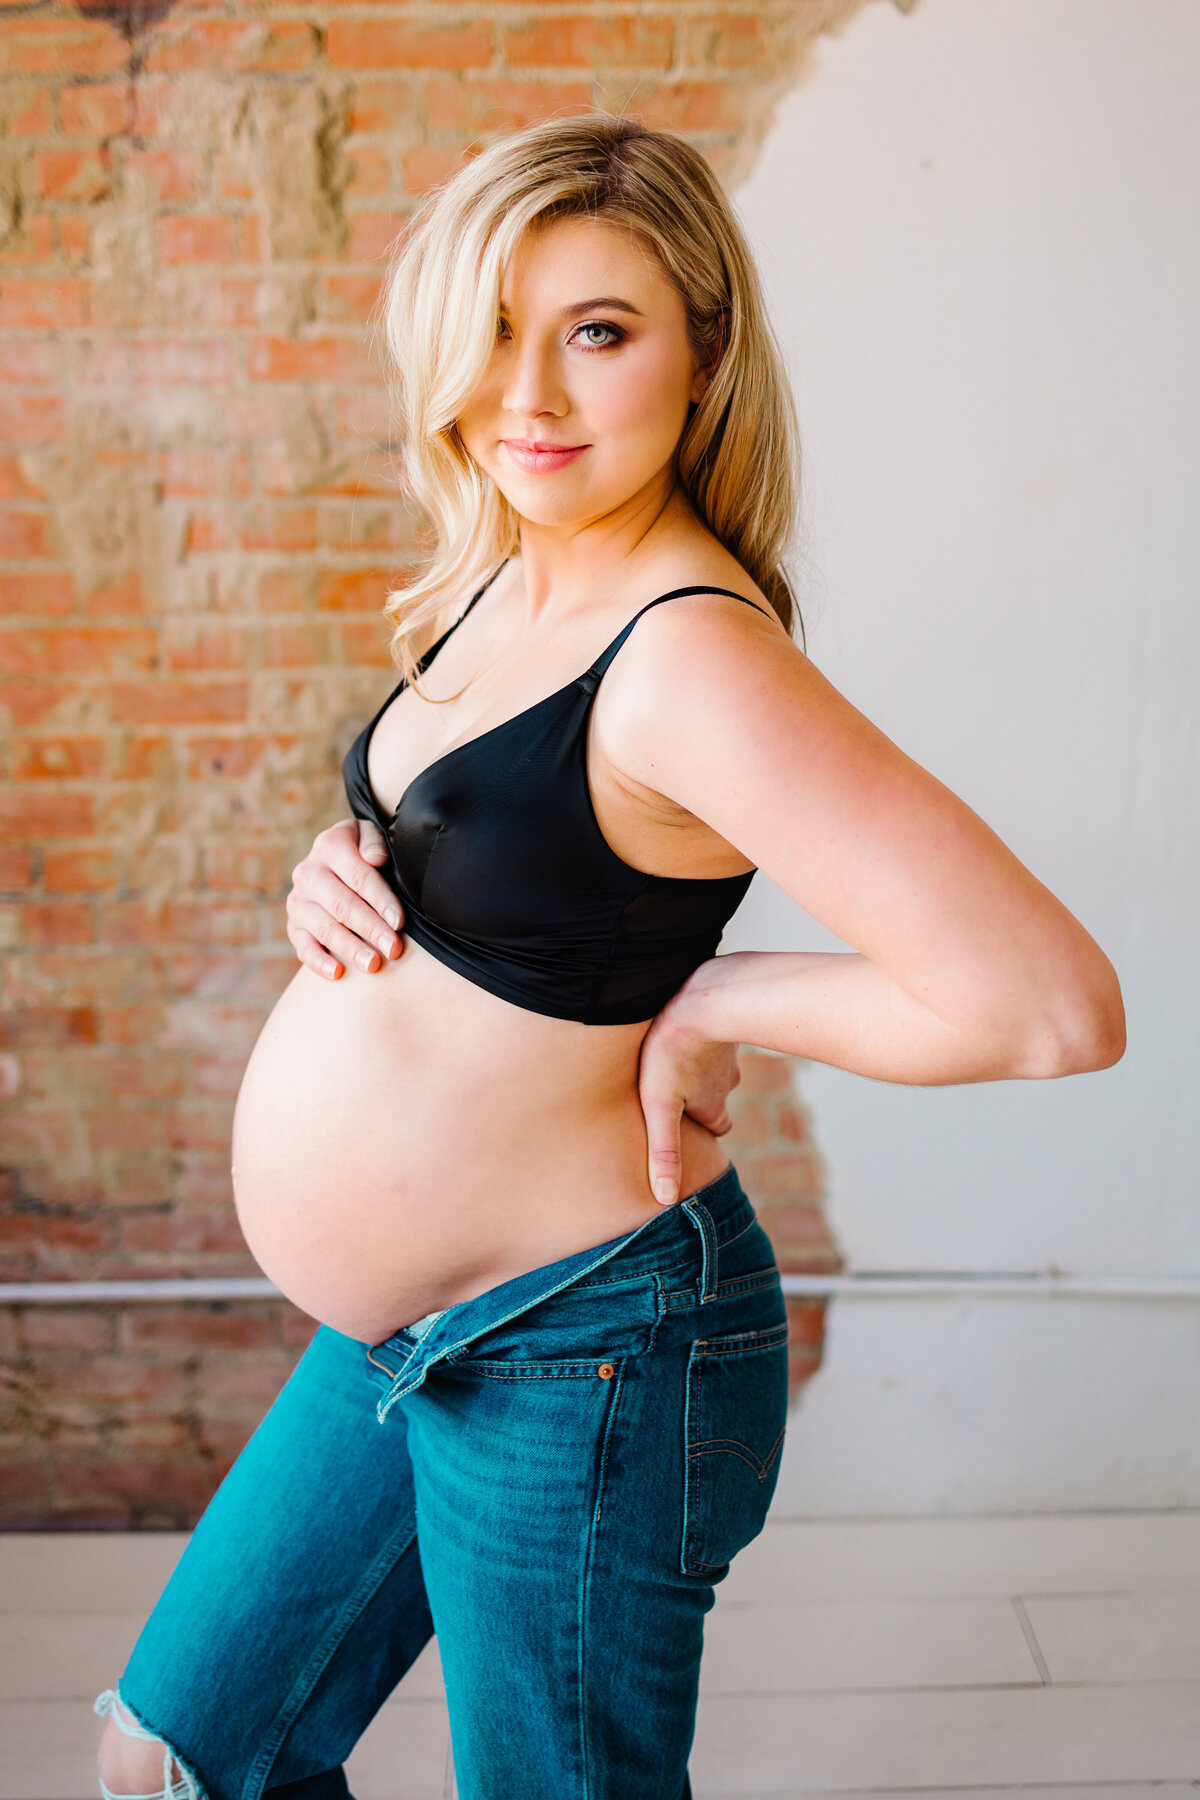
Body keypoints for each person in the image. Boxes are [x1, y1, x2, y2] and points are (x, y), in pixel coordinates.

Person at [94, 114, 1124, 1800]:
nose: (529, 396)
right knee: (181, 1750)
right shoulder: (503, 571)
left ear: (703, 353)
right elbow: (517, 869)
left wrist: (722, 998)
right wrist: (340, 877)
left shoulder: (690, 658)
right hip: (417, 1336)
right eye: (494, 329)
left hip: (584, 1342)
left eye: (596, 331)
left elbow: (1051, 1004)